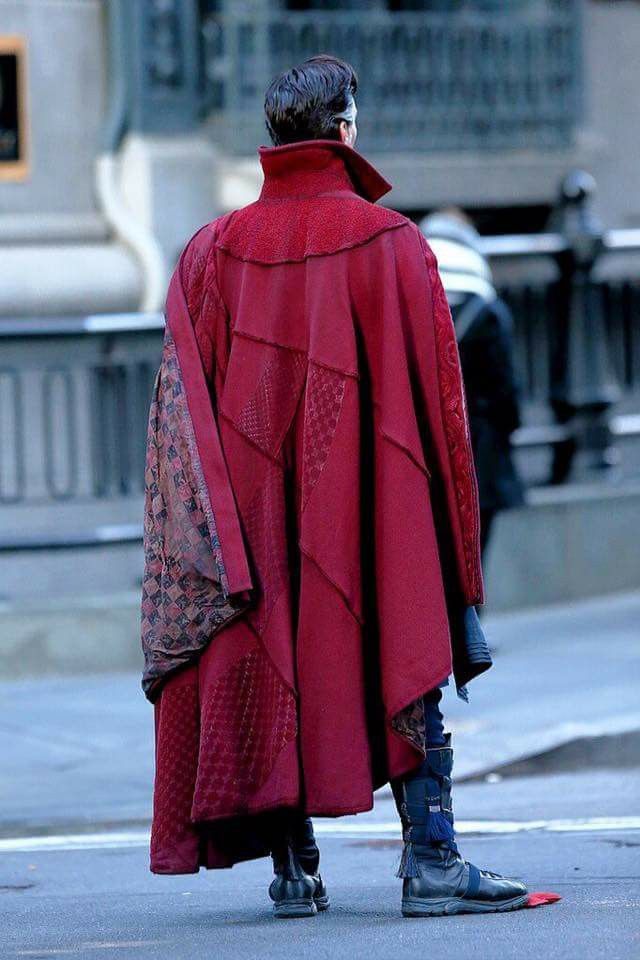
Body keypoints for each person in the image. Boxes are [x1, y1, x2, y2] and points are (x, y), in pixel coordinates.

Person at [141, 55, 528, 919]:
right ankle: (430, 860)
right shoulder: (394, 245)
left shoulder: (210, 250)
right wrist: (450, 547)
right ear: (344, 128)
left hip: (248, 515)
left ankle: (292, 866)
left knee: (274, 647)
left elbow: (179, 412)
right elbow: (441, 411)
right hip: (366, 497)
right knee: (399, 639)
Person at [421, 211, 525, 559]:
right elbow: (506, 393)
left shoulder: (412, 307)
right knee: (474, 565)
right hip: (482, 457)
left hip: (424, 455)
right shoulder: (489, 312)